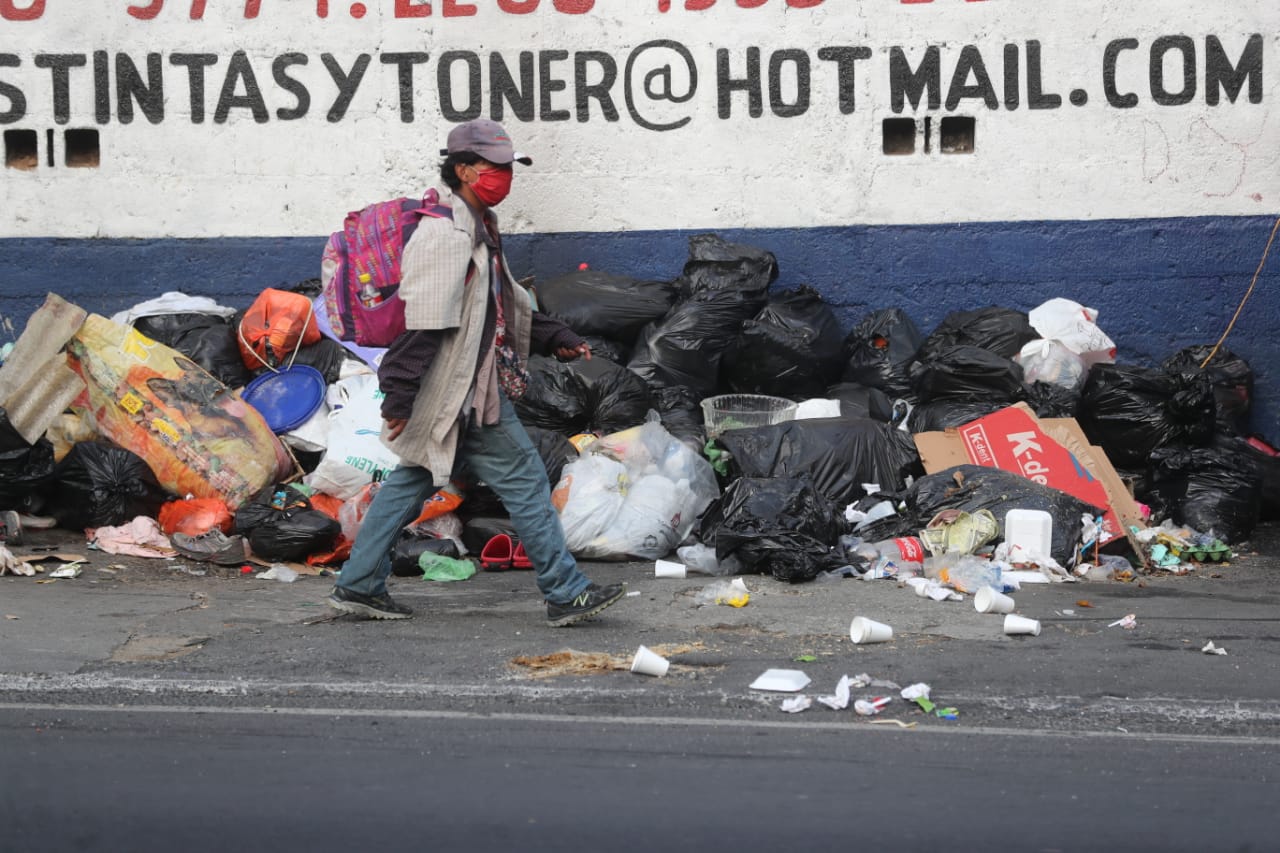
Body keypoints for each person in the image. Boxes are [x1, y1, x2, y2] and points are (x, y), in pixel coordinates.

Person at [327, 118, 626, 627]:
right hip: (458, 392)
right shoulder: (444, 234)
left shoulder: (477, 225)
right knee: (528, 481)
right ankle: (564, 591)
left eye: (510, 168)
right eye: (495, 168)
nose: (505, 177)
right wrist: (398, 398)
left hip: (467, 384)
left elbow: (501, 301)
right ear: (463, 169)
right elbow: (421, 325)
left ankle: (358, 585)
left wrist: (556, 338)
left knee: (411, 481)